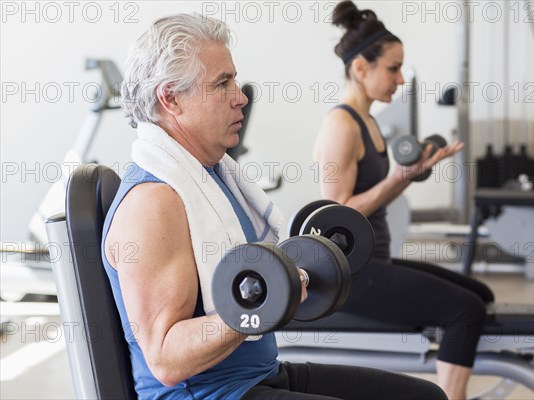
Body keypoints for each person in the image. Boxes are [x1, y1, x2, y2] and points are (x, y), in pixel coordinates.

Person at [102, 12, 447, 400]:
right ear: (171, 98)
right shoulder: (155, 202)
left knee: (424, 397)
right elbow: (167, 359)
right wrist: (270, 299)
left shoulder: (212, 176)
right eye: (222, 83)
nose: (241, 96)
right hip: (209, 394)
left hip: (259, 374)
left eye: (233, 79)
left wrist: (292, 277)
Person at [313, 2, 496, 399]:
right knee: (466, 310)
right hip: (351, 277)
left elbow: (377, 198)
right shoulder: (340, 125)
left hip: (376, 261)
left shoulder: (369, 122)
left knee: (481, 294)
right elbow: (337, 216)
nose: (399, 79)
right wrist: (399, 175)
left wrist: (410, 174)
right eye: (393, 69)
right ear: (361, 68)